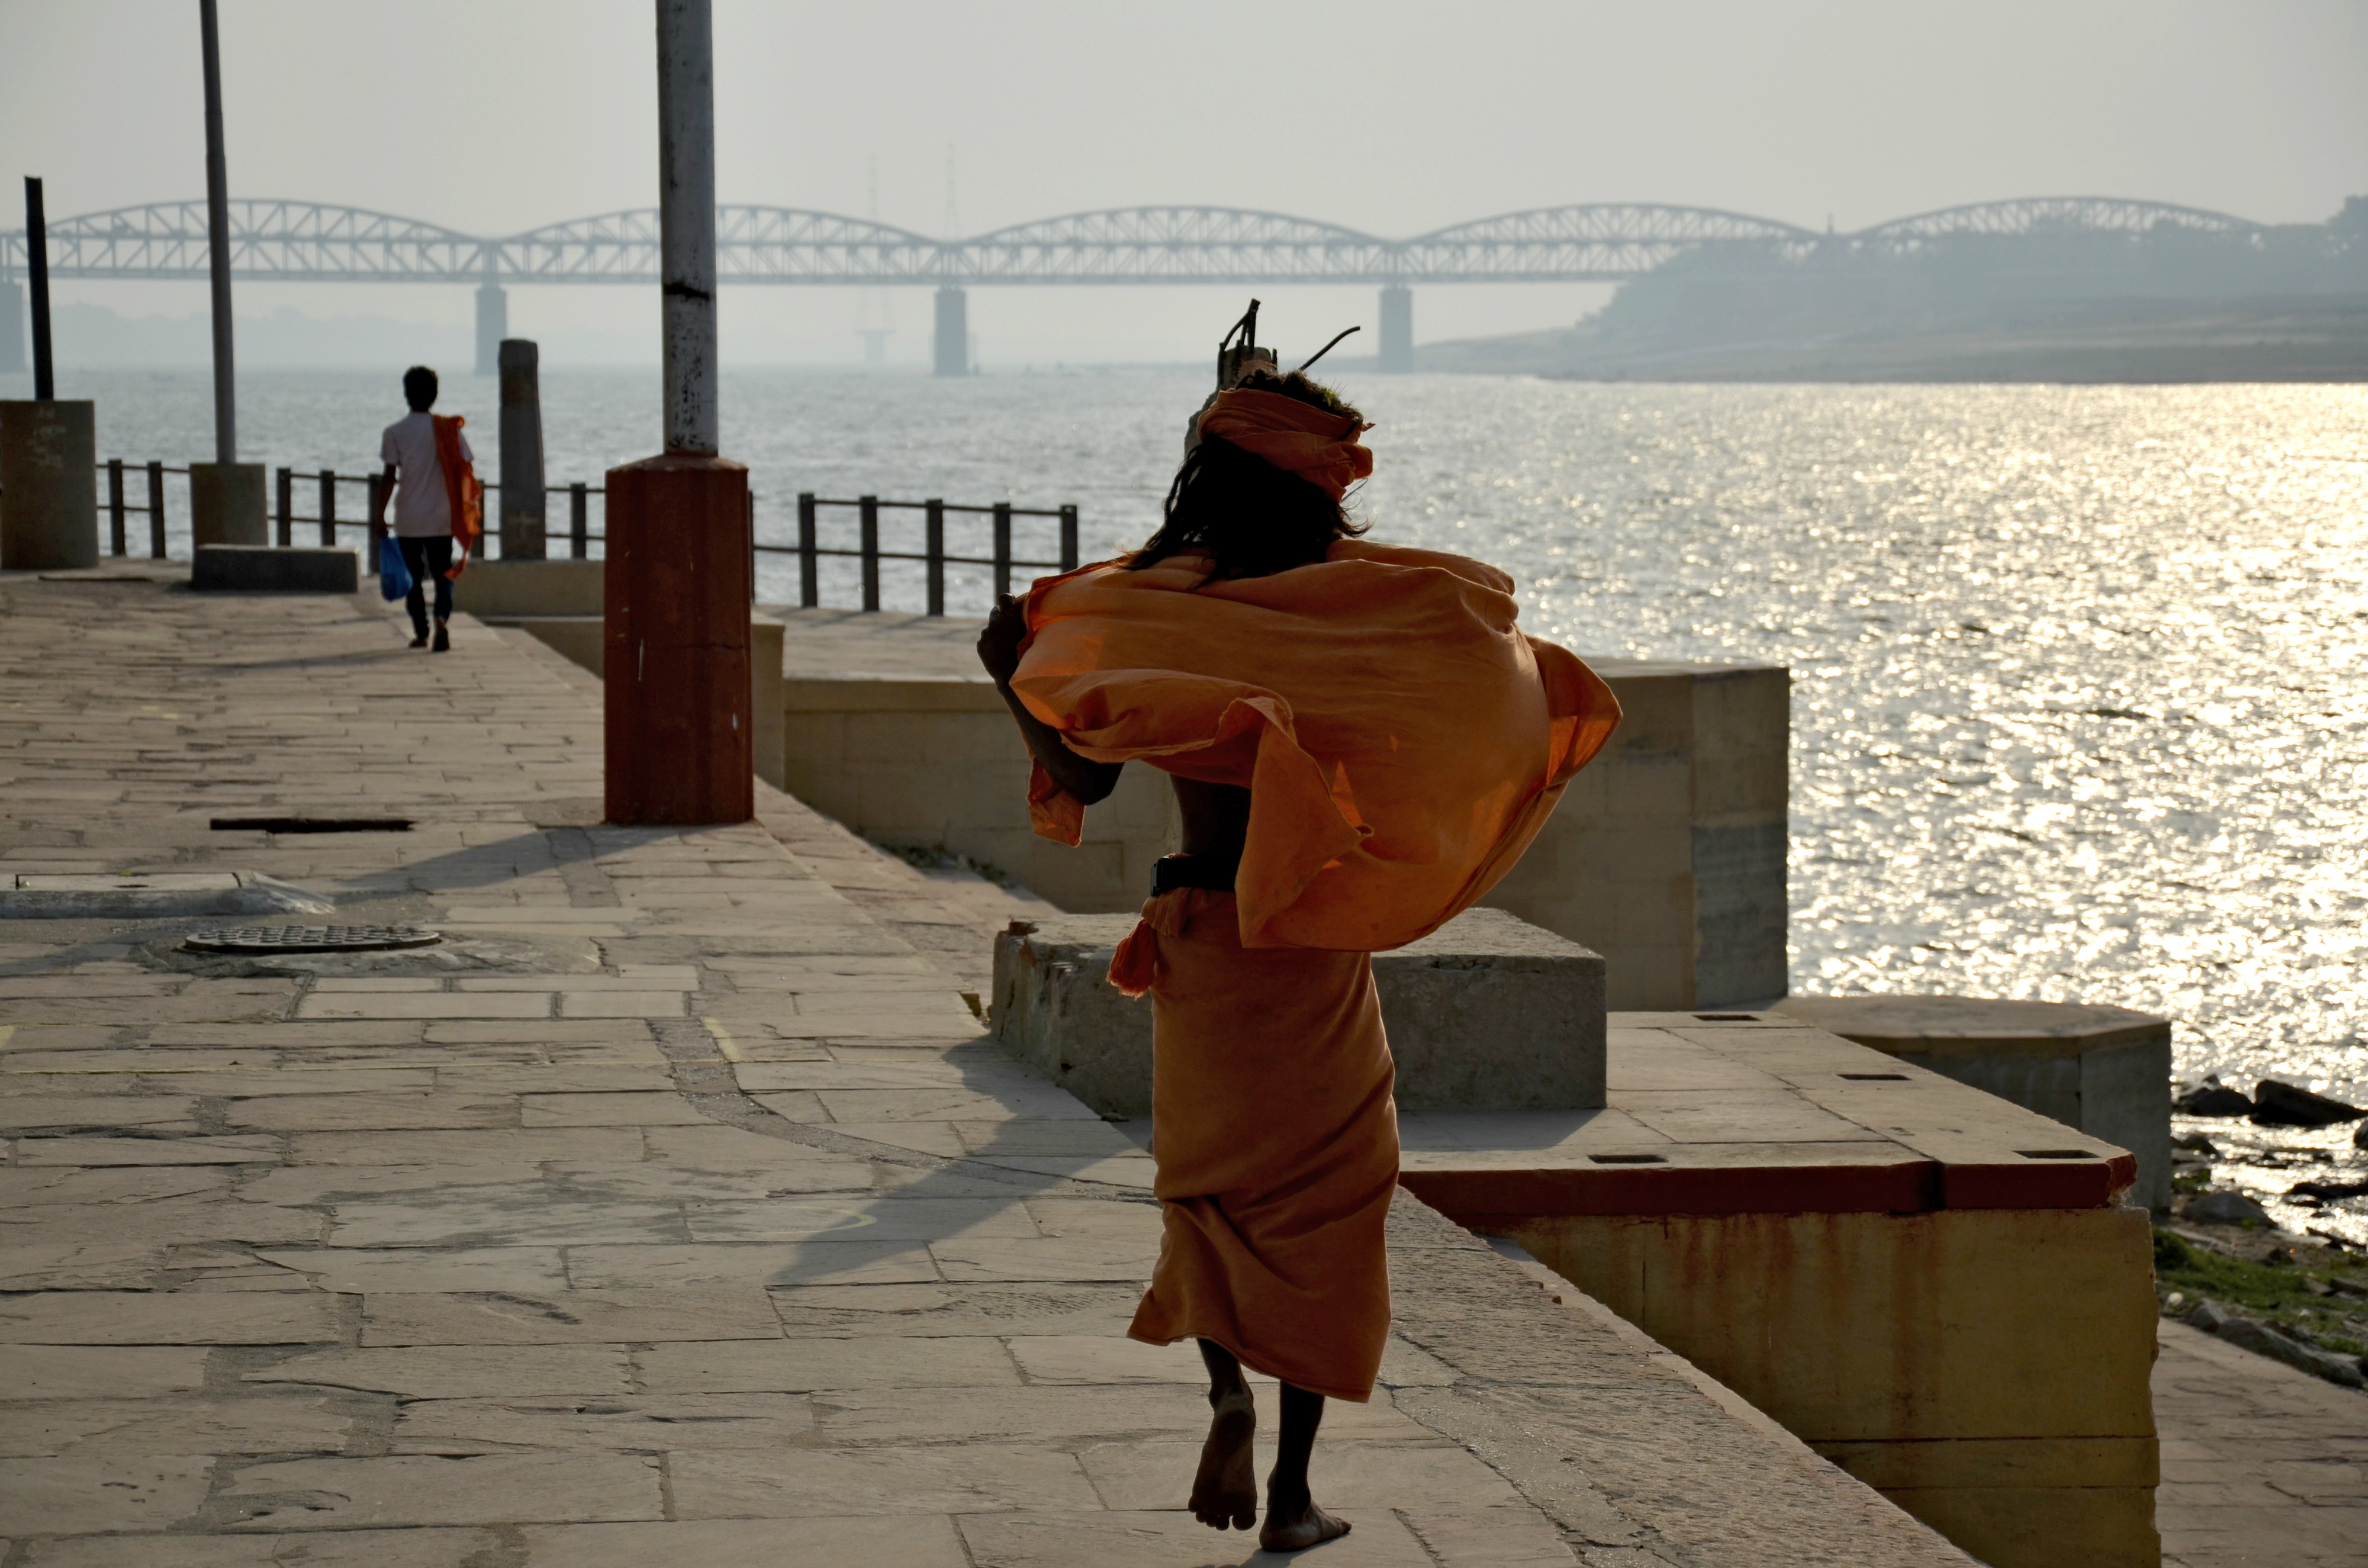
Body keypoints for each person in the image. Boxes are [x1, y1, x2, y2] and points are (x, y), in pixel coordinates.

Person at [976, 368, 1620, 1551]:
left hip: (1196, 932)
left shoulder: (1150, 610)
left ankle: (1222, 1390)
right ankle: (1291, 1493)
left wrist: (1004, 673)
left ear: (1202, 477)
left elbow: (1082, 777)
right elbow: (1464, 699)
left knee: (1210, 1185)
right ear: (1314, 485)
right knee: (1328, 1198)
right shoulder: (1359, 615)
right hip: (1306, 942)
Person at [372, 365, 472, 652]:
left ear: (406, 394)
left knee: (412, 577)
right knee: (444, 572)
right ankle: (441, 617)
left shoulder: (394, 433)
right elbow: (464, 469)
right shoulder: (448, 430)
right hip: (441, 517)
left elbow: (389, 477)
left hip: (409, 518)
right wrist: (465, 511)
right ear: (435, 395)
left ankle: (421, 632)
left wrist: (380, 515)